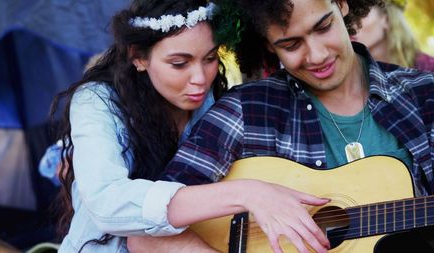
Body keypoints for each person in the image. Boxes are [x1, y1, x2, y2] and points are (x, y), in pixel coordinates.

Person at [128, 0, 434, 252]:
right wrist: (249, 194)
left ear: (342, 5)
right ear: (268, 45)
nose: (317, 55)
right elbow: (144, 235)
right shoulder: (247, 111)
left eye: (323, 27)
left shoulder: (424, 94)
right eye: (291, 44)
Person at [51, 0, 331, 252]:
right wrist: (247, 193)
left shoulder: (218, 101)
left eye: (210, 59)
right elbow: (107, 203)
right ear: (138, 56)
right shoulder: (97, 102)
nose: (200, 78)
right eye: (179, 63)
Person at [351, 0, 434, 72]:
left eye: (361, 14)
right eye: (347, 18)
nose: (350, 25)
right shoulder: (352, 74)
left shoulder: (428, 68)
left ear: (386, 19)